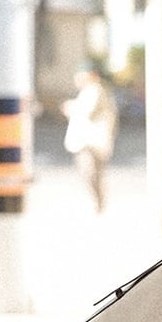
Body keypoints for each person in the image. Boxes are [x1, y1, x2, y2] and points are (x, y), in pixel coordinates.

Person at [62, 63, 118, 212]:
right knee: (93, 173)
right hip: (92, 142)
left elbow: (87, 112)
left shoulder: (95, 90)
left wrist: (71, 107)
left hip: (91, 143)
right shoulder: (90, 91)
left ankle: (98, 203)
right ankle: (99, 202)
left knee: (90, 172)